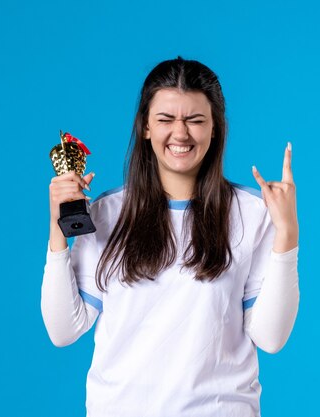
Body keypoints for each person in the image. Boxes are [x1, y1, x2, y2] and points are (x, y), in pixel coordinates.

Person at [41, 57, 299, 417]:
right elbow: (63, 329)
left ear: (215, 129)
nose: (180, 133)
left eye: (195, 120)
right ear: (145, 126)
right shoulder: (107, 213)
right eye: (166, 119)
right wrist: (58, 230)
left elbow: (271, 338)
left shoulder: (252, 214)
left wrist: (287, 234)